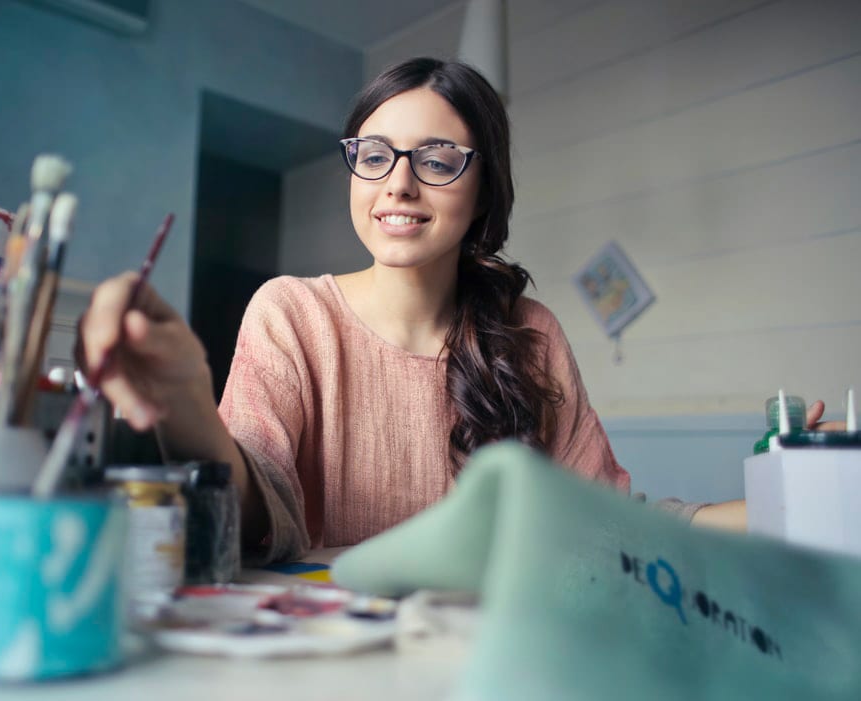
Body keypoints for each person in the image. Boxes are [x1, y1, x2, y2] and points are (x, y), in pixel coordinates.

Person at [77, 58, 827, 562]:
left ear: (481, 190)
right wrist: (185, 405)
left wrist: (790, 491)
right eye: (374, 154)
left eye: (436, 160)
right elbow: (250, 515)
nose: (398, 184)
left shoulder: (529, 334)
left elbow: (607, 527)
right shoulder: (291, 314)